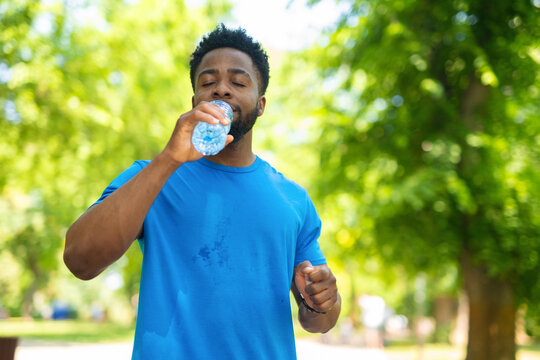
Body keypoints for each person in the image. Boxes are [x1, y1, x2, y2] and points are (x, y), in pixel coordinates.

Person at [64, 24, 341, 359]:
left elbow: (317, 321)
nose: (221, 90)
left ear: (261, 103)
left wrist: (325, 302)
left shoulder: (293, 199)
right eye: (208, 82)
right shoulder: (149, 176)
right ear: (195, 99)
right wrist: (169, 159)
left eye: (238, 82)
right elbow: (80, 259)